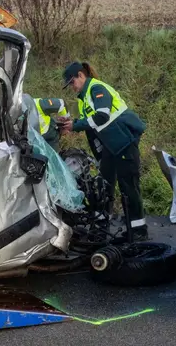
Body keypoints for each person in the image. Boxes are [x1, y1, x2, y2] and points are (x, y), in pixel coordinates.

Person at [58, 61, 148, 242]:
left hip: (123, 144)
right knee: (104, 186)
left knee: (128, 187)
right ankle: (102, 225)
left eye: (72, 83)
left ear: (80, 76)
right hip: (110, 148)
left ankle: (138, 231)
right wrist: (72, 123)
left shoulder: (97, 89)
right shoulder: (84, 98)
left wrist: (75, 125)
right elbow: (91, 126)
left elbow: (102, 116)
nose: (72, 88)